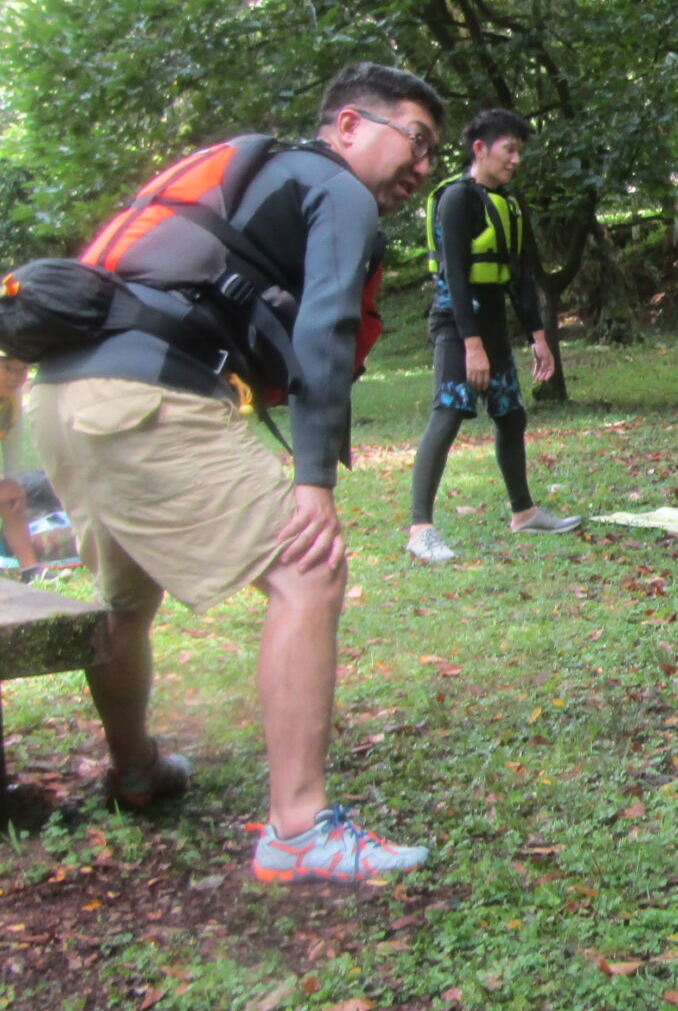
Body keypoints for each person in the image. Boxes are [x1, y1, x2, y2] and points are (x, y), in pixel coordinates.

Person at [27, 62, 442, 882]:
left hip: (64, 398)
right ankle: (297, 829)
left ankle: (136, 770)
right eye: (417, 140)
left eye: (435, 154)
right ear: (349, 126)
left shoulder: (262, 175)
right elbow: (326, 326)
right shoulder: (341, 191)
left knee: (124, 599)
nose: (424, 167)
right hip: (148, 396)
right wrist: (314, 480)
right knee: (308, 568)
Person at [406, 109, 579, 562]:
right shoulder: (457, 200)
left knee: (511, 416)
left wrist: (538, 337)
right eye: (510, 150)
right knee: (448, 414)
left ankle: (525, 513)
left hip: (493, 325)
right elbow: (456, 278)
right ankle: (420, 529)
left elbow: (520, 278)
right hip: (456, 324)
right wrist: (472, 346)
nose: (516, 159)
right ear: (480, 149)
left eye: (520, 151)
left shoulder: (509, 205)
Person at [0, 353, 40, 579]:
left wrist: (11, 481)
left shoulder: (11, 400)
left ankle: (31, 571)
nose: (16, 377)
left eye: (22, 369)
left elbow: (12, 444)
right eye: (7, 368)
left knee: (12, 496)